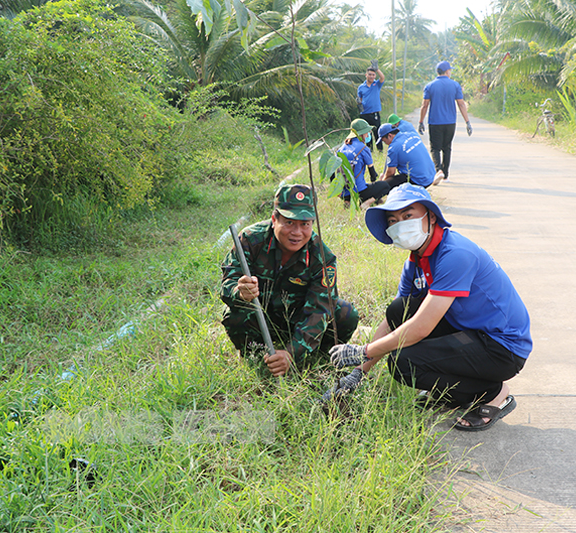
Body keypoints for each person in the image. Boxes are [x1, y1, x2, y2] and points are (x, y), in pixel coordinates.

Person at [327, 184, 532, 431]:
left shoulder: (455, 254)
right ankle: (454, 393)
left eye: (408, 215)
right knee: (398, 309)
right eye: (393, 220)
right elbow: (396, 319)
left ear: (431, 216)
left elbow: (421, 328)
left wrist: (364, 350)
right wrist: (360, 372)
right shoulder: (415, 262)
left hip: (501, 347)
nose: (400, 223)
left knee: (404, 363)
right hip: (469, 330)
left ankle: (492, 393)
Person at [220, 184, 359, 377]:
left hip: (297, 318)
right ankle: (256, 356)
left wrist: (292, 353)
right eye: (289, 222)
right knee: (234, 313)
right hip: (264, 318)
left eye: (305, 224)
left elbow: (320, 309)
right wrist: (239, 291)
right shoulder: (250, 240)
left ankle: (319, 357)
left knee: (346, 313)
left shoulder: (322, 257)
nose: (297, 232)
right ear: (274, 219)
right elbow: (227, 282)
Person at [418, 61, 472, 185]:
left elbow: (424, 105)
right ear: (447, 71)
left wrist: (421, 121)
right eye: (450, 70)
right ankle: (446, 175)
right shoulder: (455, 85)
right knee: (447, 148)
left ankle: (439, 171)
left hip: (435, 122)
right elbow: (461, 104)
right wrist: (467, 121)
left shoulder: (430, 86)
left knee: (435, 148)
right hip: (450, 123)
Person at [336, 118, 390, 208]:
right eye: (367, 132)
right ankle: (366, 203)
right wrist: (377, 194)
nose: (368, 134)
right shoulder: (364, 149)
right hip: (359, 192)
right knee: (385, 186)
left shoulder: (341, 149)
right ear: (362, 134)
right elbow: (373, 174)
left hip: (344, 193)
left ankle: (347, 201)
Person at [377, 123, 436, 190]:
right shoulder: (412, 134)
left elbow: (391, 172)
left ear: (390, 136)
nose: (386, 144)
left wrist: (382, 183)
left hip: (419, 181)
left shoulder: (393, 147)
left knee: (387, 184)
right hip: (431, 175)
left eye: (384, 141)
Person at [357, 62, 385, 152]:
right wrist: (359, 103)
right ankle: (369, 150)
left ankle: (380, 150)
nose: (371, 76)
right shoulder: (361, 87)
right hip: (365, 114)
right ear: (366, 75)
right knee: (366, 134)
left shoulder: (376, 85)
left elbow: (382, 78)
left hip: (375, 113)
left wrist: (377, 69)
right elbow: (359, 99)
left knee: (377, 133)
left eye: (373, 75)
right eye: (370, 74)